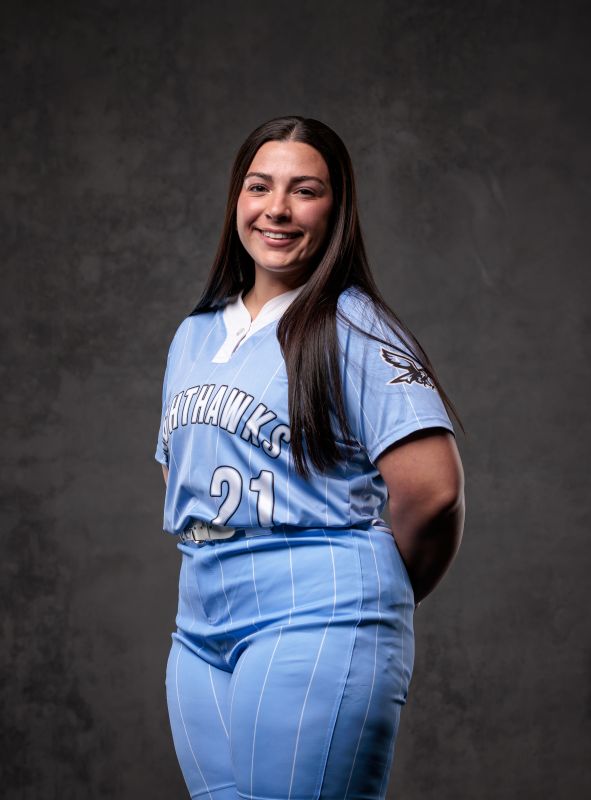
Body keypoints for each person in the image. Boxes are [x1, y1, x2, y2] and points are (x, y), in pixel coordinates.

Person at [155, 115, 465, 800]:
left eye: (305, 191)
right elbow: (186, 481)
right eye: (259, 186)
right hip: (201, 625)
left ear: (337, 207)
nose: (277, 209)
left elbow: (432, 490)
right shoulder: (194, 333)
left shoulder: (351, 324)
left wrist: (362, 593)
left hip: (314, 611)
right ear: (237, 197)